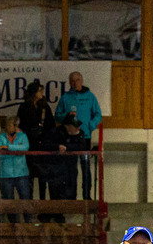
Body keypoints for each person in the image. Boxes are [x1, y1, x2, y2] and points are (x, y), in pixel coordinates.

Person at [55, 71, 102, 200]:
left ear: (81, 81)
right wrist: (66, 116)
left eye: (77, 80)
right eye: (72, 81)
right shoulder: (65, 97)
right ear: (70, 82)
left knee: (85, 168)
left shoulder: (90, 97)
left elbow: (98, 115)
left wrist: (90, 125)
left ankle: (86, 196)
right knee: (71, 169)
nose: (75, 83)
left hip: (85, 138)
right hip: (70, 138)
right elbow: (57, 115)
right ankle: (72, 197)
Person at [43, 114, 90, 222]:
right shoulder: (55, 132)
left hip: (70, 168)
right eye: (75, 126)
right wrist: (57, 147)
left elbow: (82, 147)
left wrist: (67, 146)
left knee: (70, 191)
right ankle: (56, 214)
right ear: (68, 125)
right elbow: (45, 145)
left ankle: (63, 213)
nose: (78, 128)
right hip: (56, 168)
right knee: (55, 192)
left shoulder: (80, 134)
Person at [18, 80, 55, 201]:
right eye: (40, 90)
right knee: (29, 176)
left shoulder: (44, 107)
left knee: (43, 177)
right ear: (33, 92)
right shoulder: (24, 107)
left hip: (42, 145)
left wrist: (45, 138)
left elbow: (51, 126)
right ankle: (29, 203)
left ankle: (42, 203)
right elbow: (20, 126)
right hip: (28, 145)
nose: (42, 93)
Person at [0, 115, 31, 222]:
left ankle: (28, 223)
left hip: (21, 173)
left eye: (9, 125)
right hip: (5, 174)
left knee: (25, 200)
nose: (6, 127)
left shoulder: (23, 136)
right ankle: (13, 225)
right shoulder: (0, 137)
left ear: (16, 126)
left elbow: (25, 148)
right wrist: (16, 153)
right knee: (8, 202)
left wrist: (8, 148)